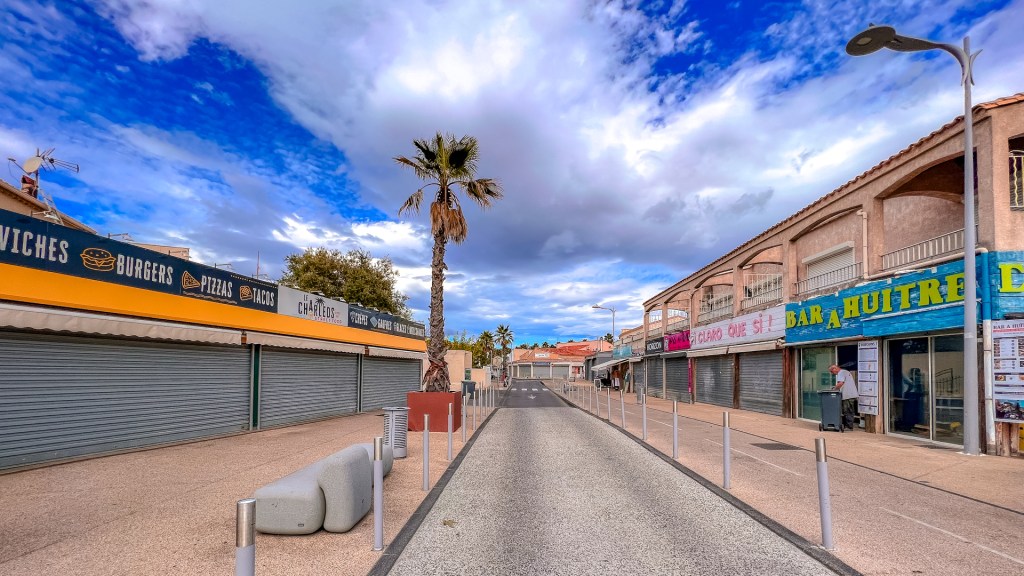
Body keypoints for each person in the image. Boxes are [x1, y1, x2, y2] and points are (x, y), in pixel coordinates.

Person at [829, 364, 859, 429]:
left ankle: (848, 426)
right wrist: (836, 387)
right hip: (850, 394)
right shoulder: (845, 372)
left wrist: (834, 389)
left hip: (848, 395)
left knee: (847, 410)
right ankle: (848, 425)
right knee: (849, 410)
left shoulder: (841, 373)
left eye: (831, 371)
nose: (832, 373)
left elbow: (840, 383)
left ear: (835, 369)